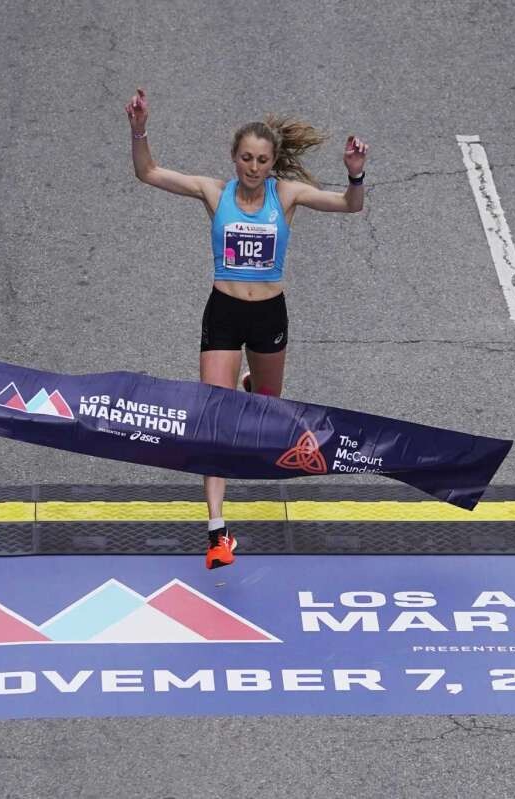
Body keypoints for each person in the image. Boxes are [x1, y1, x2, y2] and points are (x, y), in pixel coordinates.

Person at [125, 88, 368, 570]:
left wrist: (355, 174)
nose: (253, 168)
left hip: (268, 316)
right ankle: (217, 531)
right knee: (214, 423)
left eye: (261, 160)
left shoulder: (287, 195)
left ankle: (253, 385)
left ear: (272, 163)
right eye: (245, 159)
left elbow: (349, 205)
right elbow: (148, 172)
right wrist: (139, 130)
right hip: (224, 313)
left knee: (268, 406)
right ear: (233, 158)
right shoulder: (215, 193)